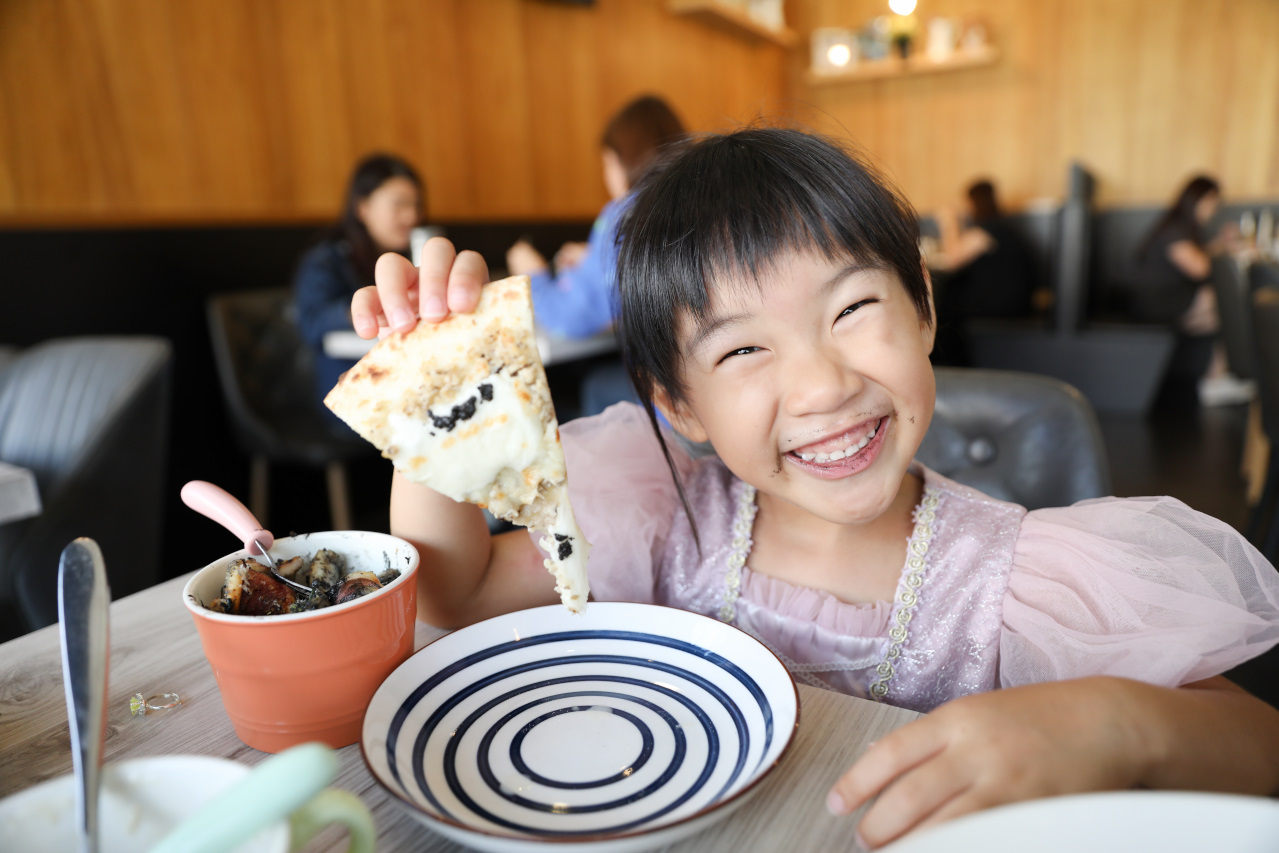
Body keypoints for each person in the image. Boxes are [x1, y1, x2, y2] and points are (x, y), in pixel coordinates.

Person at [350, 128, 1279, 849]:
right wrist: (430, 397)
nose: (824, 385)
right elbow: (454, 593)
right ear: (680, 403)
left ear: (921, 303)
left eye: (851, 309)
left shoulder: (1020, 580)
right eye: (744, 348)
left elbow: (1259, 748)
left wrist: (1114, 721)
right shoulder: (671, 520)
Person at [506, 95, 685, 415]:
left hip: (672, 404)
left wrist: (532, 272)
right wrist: (592, 257)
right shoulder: (684, 203)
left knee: (592, 385)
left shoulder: (625, 213)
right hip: (704, 383)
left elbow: (571, 318)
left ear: (623, 160)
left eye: (606, 163)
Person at [293, 153, 424, 403]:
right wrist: (363, 310)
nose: (411, 217)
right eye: (399, 204)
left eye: (416, 205)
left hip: (407, 383)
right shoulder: (326, 258)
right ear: (363, 208)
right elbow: (310, 323)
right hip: (350, 388)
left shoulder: (414, 255)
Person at [1134, 175, 1248, 405]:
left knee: (1225, 309)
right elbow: (1199, 268)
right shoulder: (1176, 229)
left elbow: (1202, 257)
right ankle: (1216, 380)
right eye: (1211, 201)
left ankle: (1218, 378)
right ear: (1198, 199)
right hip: (1153, 301)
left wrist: (1221, 245)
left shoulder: (1184, 229)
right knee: (1223, 303)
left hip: (1168, 299)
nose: (1213, 208)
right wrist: (1225, 249)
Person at [931, 180, 1038, 365]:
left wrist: (948, 222)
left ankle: (948, 365)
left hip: (1004, 305)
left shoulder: (988, 229)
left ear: (973, 202)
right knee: (947, 294)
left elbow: (952, 260)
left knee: (943, 301)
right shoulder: (1002, 227)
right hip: (1013, 301)